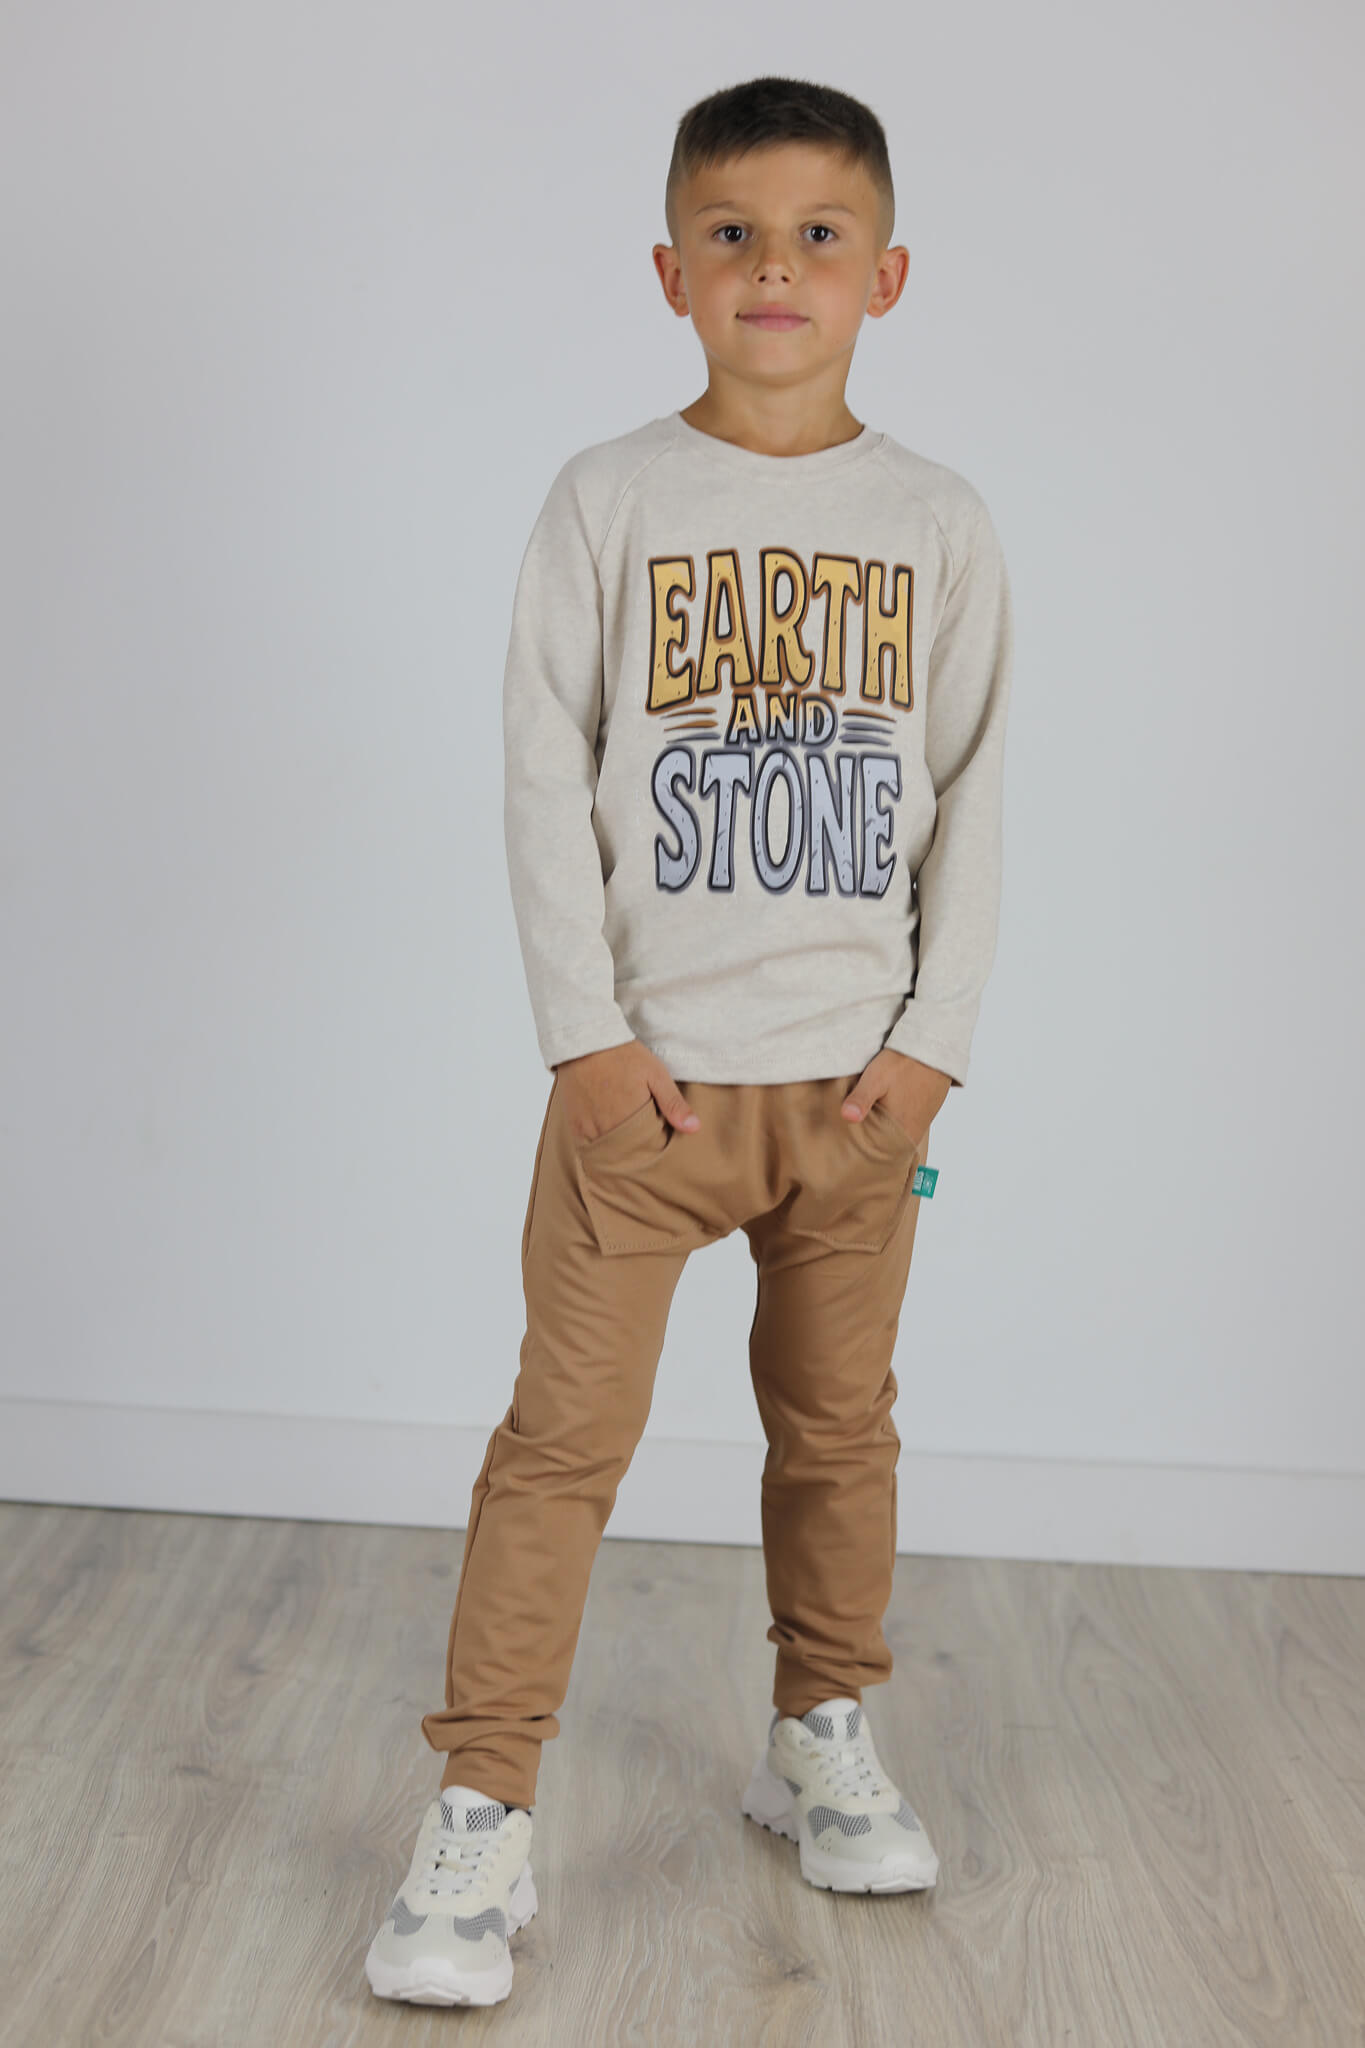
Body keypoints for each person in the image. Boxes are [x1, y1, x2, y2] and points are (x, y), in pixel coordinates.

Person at [366, 72, 1014, 2008]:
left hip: (854, 1094)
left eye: (818, 235)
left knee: (837, 1430)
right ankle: (480, 1811)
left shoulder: (936, 522)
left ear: (887, 274)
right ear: (669, 271)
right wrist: (579, 1036)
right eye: (730, 234)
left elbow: (975, 796)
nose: (773, 269)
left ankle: (817, 1730)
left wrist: (931, 1045)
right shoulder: (609, 500)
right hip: (638, 1094)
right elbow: (535, 772)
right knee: (557, 1445)